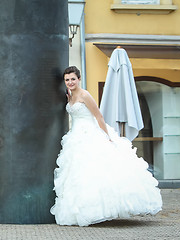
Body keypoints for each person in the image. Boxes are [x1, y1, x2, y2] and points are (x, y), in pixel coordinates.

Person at [50, 66, 162, 227]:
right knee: (77, 174)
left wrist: (106, 137)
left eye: (73, 79)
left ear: (79, 79)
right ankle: (82, 209)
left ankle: (103, 209)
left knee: (97, 170)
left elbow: (99, 116)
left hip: (90, 134)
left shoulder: (84, 95)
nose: (70, 82)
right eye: (67, 80)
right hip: (75, 136)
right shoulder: (71, 96)